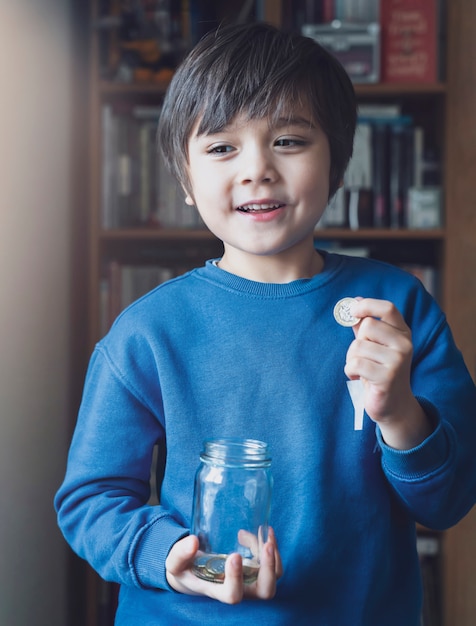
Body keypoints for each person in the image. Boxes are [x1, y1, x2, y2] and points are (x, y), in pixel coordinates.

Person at [55, 21, 476, 625]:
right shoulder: (147, 331)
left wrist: (400, 413)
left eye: (289, 141)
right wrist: (175, 558)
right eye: (222, 147)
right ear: (185, 180)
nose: (257, 169)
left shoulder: (397, 307)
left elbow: (449, 502)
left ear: (337, 161)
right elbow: (91, 501)